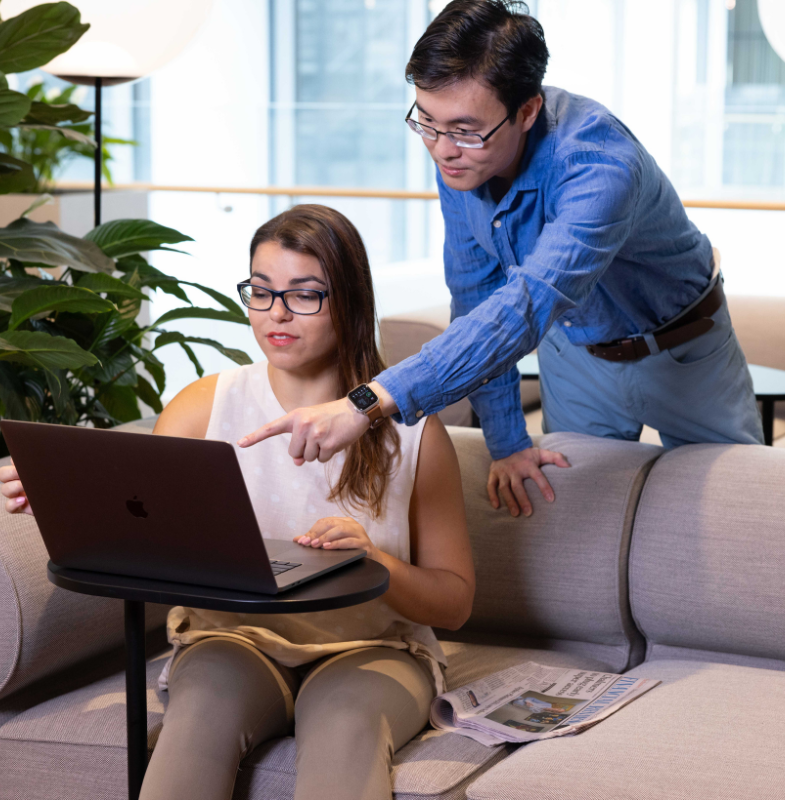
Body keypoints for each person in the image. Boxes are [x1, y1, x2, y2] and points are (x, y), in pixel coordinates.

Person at [0, 204, 475, 800]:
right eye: (262, 291)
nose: (277, 313)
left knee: (344, 727)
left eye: (305, 295)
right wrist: (72, 500)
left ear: (351, 301)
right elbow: (145, 530)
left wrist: (375, 563)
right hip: (231, 640)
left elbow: (454, 602)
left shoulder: (415, 432)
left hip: (376, 649)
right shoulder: (203, 406)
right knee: (199, 717)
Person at [237, 0, 763, 520]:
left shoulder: (599, 165)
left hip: (685, 348)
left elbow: (524, 305)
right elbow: (475, 299)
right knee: (576, 523)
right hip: (575, 354)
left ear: (528, 110)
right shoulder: (462, 157)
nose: (442, 149)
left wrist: (366, 402)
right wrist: (508, 442)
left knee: (746, 512)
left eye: (464, 129)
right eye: (427, 121)